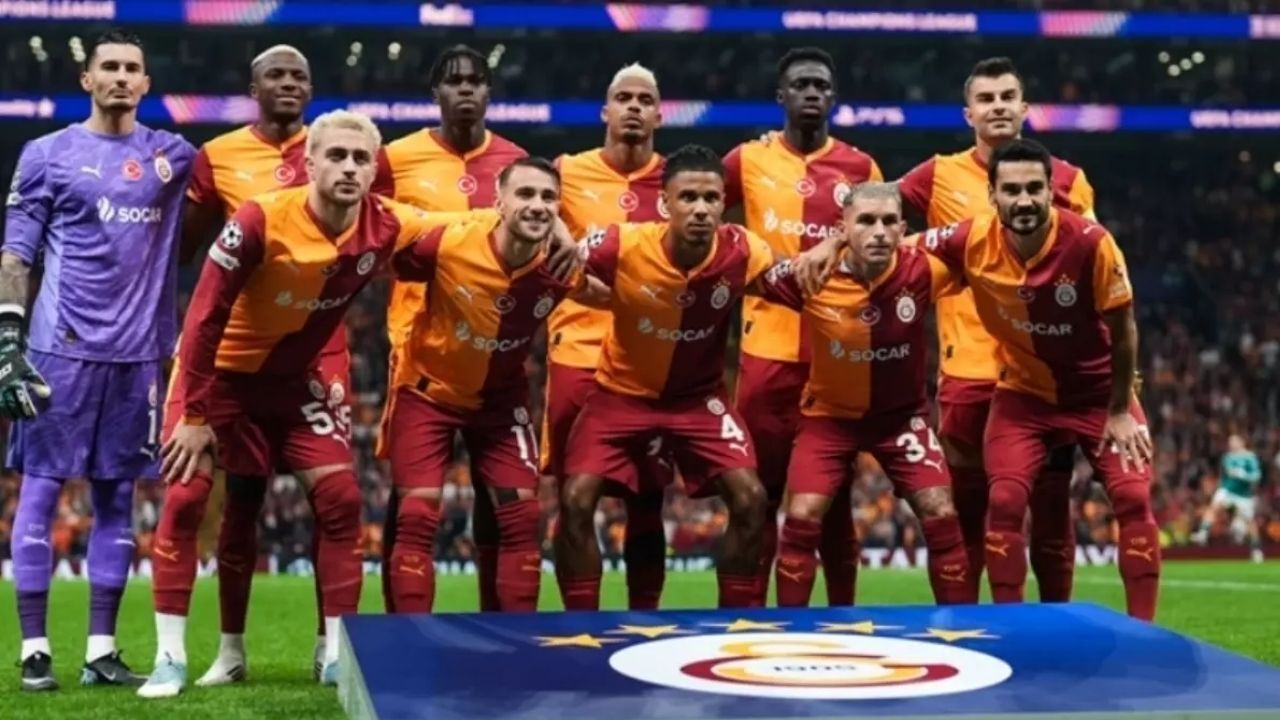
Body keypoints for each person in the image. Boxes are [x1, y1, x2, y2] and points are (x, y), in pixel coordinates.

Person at [138, 110, 484, 697]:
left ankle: (335, 654)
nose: (349, 167)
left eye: (361, 159)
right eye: (337, 156)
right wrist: (194, 415)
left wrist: (538, 223)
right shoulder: (259, 217)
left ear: (374, 170)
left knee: (342, 498)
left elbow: (464, 225)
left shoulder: (386, 222)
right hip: (221, 377)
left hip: (296, 382)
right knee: (188, 496)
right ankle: (170, 656)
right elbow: (202, 317)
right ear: (310, 163)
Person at [2, 28, 195, 692]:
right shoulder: (46, 155)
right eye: (108, 66)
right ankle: (34, 651)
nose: (120, 76)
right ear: (87, 79)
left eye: (131, 68)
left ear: (146, 84)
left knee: (119, 496)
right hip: (58, 351)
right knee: (41, 489)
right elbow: (15, 255)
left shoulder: (173, 156)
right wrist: (7, 340)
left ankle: (101, 652)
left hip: (137, 358)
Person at [920, 138, 1159, 620]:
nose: (1024, 200)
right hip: (1024, 396)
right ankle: (1010, 629)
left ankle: (1144, 630)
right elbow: (902, 246)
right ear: (992, 195)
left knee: (1133, 497)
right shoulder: (971, 238)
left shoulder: (1092, 243)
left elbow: (1124, 330)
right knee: (1005, 500)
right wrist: (839, 243)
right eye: (1012, 190)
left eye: (1034, 188)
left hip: (1097, 395)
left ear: (1052, 190)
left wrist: (1118, 410)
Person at [896, 57, 1097, 601]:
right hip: (968, 371)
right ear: (969, 114)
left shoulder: (1068, 180)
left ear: (1025, 107)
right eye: (986, 99)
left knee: (1050, 505)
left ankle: (1053, 622)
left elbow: (1091, 273)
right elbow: (874, 205)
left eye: (1007, 96)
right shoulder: (936, 175)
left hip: (1043, 376)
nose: (998, 107)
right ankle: (964, 628)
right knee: (969, 510)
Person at [555, 145, 772, 610]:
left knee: (752, 498)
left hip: (699, 401)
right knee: (574, 499)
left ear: (724, 203)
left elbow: (790, 279)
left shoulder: (744, 250)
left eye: (711, 198)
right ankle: (579, 625)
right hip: (619, 396)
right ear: (665, 203)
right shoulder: (621, 242)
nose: (701, 209)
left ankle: (735, 620)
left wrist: (831, 249)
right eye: (688, 197)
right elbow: (563, 263)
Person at [181, 43, 336, 688]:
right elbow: (186, 250)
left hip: (319, 349)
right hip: (242, 351)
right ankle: (230, 650)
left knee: (336, 498)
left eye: (300, 75)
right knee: (242, 497)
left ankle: (331, 647)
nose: (289, 83)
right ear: (254, 88)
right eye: (276, 74)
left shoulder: (336, 149)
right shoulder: (218, 156)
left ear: (312, 89)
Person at [385, 157, 602, 613]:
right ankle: (409, 640)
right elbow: (384, 254)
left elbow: (603, 292)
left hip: (500, 402)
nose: (537, 205)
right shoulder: (450, 240)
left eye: (548, 197)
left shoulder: (560, 265)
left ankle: (518, 640)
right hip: (427, 393)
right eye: (525, 194)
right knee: (417, 514)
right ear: (497, 202)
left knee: (523, 516)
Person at [754, 182, 972, 607]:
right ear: (843, 228)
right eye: (866, 221)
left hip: (901, 420)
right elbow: (743, 278)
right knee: (801, 517)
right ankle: (789, 629)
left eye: (889, 222)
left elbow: (982, 253)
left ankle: (962, 625)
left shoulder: (924, 270)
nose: (879, 232)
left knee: (941, 511)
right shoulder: (812, 274)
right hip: (828, 419)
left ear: (903, 230)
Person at [723, 47, 882, 606]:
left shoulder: (861, 168)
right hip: (766, 356)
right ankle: (749, 615)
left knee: (833, 502)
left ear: (832, 97)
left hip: (835, 357)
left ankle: (841, 617)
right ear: (781, 97)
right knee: (757, 496)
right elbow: (704, 216)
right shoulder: (746, 160)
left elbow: (881, 243)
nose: (811, 93)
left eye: (820, 85)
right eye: (800, 85)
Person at [371, 43, 526, 613]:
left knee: (497, 492)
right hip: (419, 343)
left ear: (489, 92)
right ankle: (397, 624)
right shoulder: (396, 158)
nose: (466, 89)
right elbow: (375, 231)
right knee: (411, 496)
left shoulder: (515, 161)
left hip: (493, 341)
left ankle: (494, 616)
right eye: (454, 80)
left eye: (476, 80)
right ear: (435, 92)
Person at [544, 63, 670, 610]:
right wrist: (573, 270)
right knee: (575, 498)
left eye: (645, 99)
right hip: (577, 354)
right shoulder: (566, 172)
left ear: (660, 115)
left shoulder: (676, 182)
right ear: (605, 110)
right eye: (624, 98)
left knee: (648, 501)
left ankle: (646, 620)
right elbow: (540, 230)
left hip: (651, 360)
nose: (634, 107)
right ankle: (581, 626)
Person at [1193, 434, 1264, 563]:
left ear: (1242, 442)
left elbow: (1257, 476)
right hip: (1228, 490)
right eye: (1230, 442)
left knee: (1250, 522)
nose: (1231, 444)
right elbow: (1225, 475)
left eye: (1234, 441)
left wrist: (1243, 475)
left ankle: (1256, 550)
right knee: (1214, 506)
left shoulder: (1250, 457)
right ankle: (1203, 532)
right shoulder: (1227, 457)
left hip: (1243, 495)